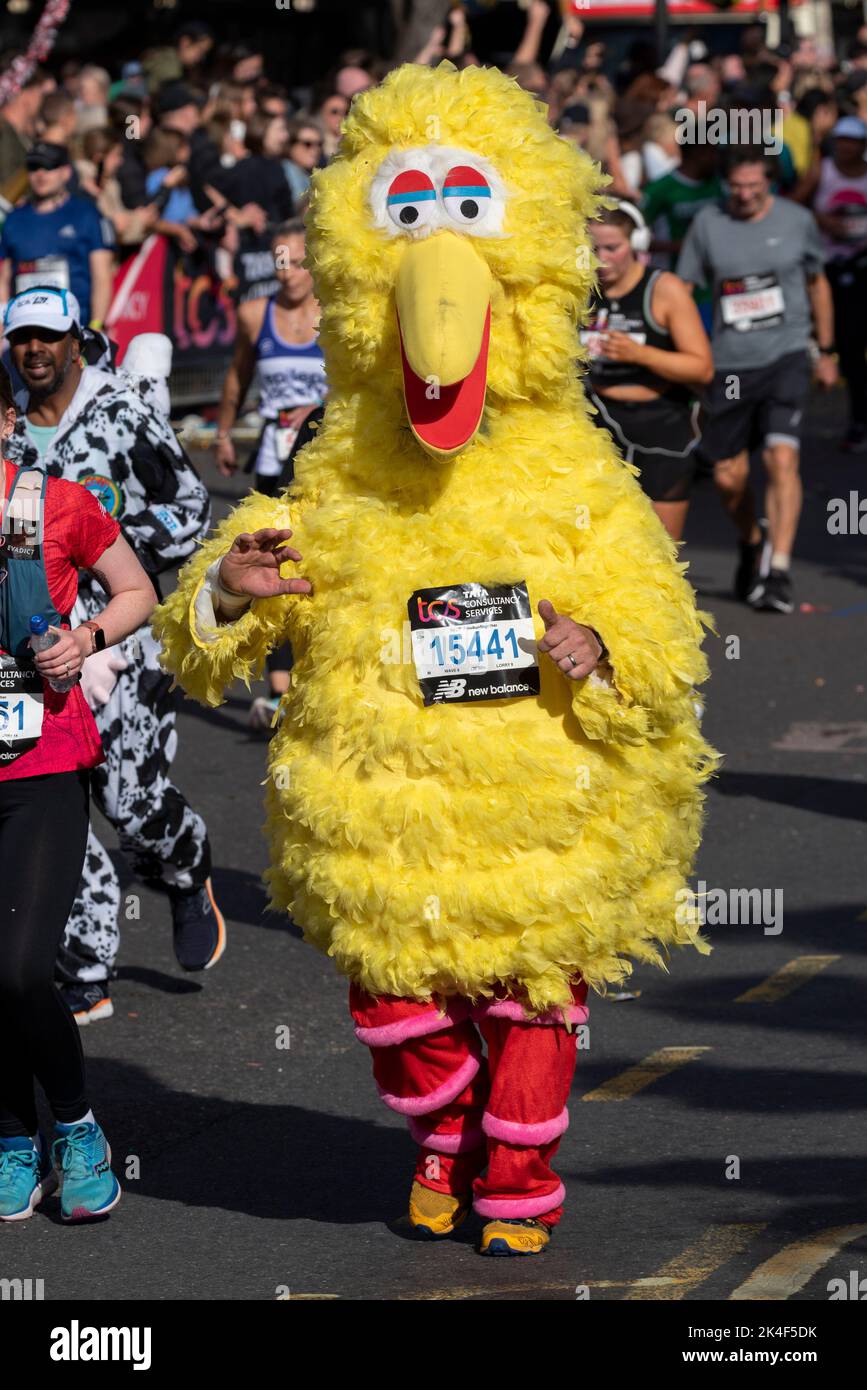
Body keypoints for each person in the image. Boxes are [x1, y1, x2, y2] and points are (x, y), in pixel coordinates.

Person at [155, 62, 716, 1258]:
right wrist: (225, 588)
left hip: (535, 794)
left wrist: (602, 641)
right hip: (384, 799)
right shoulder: (344, 450)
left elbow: (658, 622)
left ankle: (515, 1174)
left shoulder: (570, 458)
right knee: (397, 992)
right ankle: (446, 1135)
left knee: (529, 995)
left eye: (468, 209)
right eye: (406, 213)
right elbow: (241, 603)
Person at [2, 286, 220, 1025]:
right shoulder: (4, 431)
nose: (35, 351)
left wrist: (105, 546)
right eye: (21, 338)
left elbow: (191, 510)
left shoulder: (121, 412)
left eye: (48, 337)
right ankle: (84, 966)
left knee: (131, 807)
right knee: (50, 803)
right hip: (31, 658)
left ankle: (187, 867)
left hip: (121, 637)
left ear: (74, 340)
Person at [0, 361, 155, 1222]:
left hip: (40, 757)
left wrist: (83, 635)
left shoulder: (53, 505)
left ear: (6, 420)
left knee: (20, 970)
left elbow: (137, 590)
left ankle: (76, 1123)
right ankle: (12, 1136)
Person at [677, 148, 838, 613]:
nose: (745, 195)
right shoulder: (708, 224)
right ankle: (753, 538)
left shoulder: (796, 220)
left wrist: (825, 351)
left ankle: (779, 570)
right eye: (737, 186)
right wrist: (687, 356)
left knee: (781, 457)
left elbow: (816, 283)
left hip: (786, 354)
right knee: (729, 477)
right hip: (729, 364)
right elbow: (683, 291)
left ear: (770, 182)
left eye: (755, 185)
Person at [215, 220, 326, 730]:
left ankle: (311, 679)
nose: (289, 273)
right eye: (280, 261)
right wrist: (222, 431)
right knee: (272, 564)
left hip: (319, 461)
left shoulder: (335, 314)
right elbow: (238, 373)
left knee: (315, 565)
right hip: (270, 460)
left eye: (299, 261)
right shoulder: (254, 314)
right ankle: (279, 690)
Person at [584, 204, 712, 542]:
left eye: (613, 248)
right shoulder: (579, 290)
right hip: (597, 421)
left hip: (660, 424)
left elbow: (702, 368)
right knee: (599, 543)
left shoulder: (664, 288)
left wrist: (639, 354)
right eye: (594, 249)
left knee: (661, 551)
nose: (603, 259)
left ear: (637, 244)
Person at [0, 142, 116, 329]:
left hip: (75, 327)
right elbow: (4, 279)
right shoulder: (13, 219)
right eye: (34, 167)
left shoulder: (87, 214)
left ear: (66, 172)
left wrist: (96, 325)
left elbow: (102, 277)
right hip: (24, 327)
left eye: (49, 167)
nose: (40, 174)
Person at [805, 115, 867, 451]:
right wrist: (823, 220)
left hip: (864, 268)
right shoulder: (822, 171)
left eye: (852, 140)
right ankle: (857, 420)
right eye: (840, 139)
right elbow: (795, 203)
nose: (845, 146)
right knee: (851, 346)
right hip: (830, 269)